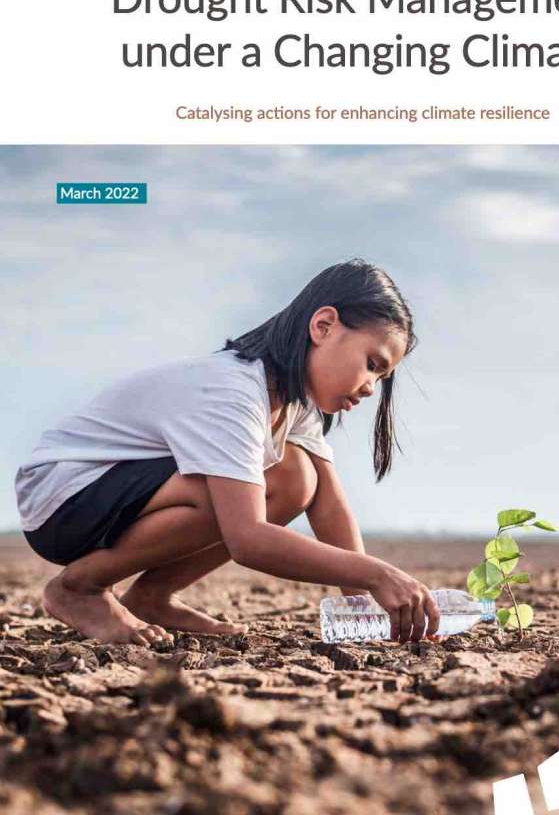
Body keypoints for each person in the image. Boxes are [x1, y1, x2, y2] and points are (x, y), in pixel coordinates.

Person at [16, 259, 440, 648]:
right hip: (63, 497)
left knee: (296, 477)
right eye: (372, 363)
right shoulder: (234, 391)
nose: (370, 387)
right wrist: (377, 574)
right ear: (324, 326)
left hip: (115, 494)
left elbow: (329, 505)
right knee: (229, 490)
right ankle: (79, 588)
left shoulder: (293, 402)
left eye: (380, 377)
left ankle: (151, 596)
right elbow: (248, 539)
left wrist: (365, 607)